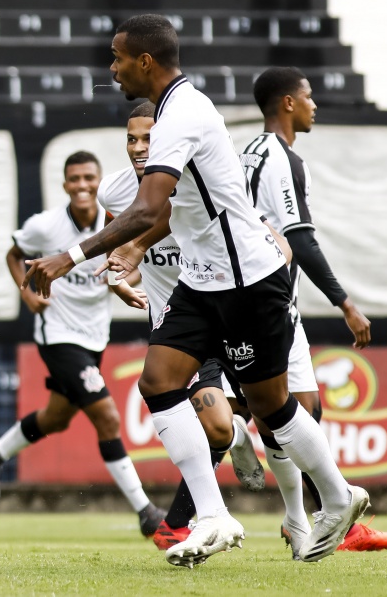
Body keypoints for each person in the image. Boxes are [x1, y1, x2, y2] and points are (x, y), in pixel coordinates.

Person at [21, 14, 368, 566]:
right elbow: (175, 208)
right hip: (204, 280)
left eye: (116, 58)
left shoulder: (182, 112)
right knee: (159, 383)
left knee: (270, 406)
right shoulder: (169, 112)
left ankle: (339, 495)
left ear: (145, 61)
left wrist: (72, 255)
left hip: (247, 280)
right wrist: (131, 249)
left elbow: (150, 206)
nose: (110, 69)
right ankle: (212, 516)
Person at [238, 66, 387, 555]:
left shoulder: (246, 152)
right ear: (287, 103)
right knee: (266, 413)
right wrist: (346, 304)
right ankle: (194, 516)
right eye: (308, 97)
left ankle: (312, 519)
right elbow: (300, 239)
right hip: (260, 298)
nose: (315, 106)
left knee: (305, 411)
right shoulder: (280, 158)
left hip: (273, 300)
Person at [94, 102, 267, 551]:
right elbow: (127, 253)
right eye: (131, 138)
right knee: (215, 427)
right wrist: (118, 279)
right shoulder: (114, 193)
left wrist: (133, 247)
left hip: (221, 304)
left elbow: (160, 228)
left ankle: (304, 510)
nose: (138, 147)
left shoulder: (195, 182)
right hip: (177, 326)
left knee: (274, 409)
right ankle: (189, 518)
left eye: (148, 139)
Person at [0, 150, 167, 538]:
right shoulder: (45, 227)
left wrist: (124, 286)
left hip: (94, 336)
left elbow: (120, 269)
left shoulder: (116, 223)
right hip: (58, 336)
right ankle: (146, 511)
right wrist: (25, 293)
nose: (82, 186)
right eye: (74, 179)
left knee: (57, 418)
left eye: (89, 179)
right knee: (108, 417)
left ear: (100, 183)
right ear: (64, 185)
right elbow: (15, 254)